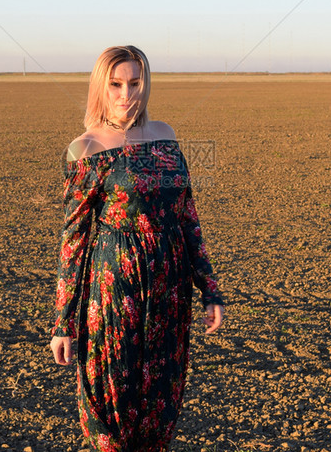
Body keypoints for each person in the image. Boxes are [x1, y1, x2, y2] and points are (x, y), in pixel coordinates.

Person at [49, 45, 224, 451]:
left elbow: (187, 217)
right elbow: (73, 241)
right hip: (115, 291)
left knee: (159, 408)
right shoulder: (85, 149)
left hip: (169, 290)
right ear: (101, 87)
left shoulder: (166, 137)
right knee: (112, 412)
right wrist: (63, 323)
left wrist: (209, 289)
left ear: (146, 85)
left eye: (134, 83)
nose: (126, 94)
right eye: (115, 84)